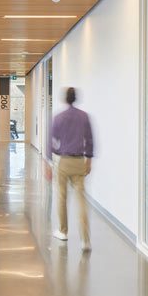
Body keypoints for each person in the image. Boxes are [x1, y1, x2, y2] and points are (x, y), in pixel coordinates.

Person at [51, 87, 94, 252]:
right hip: (79, 162)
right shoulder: (84, 117)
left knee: (62, 198)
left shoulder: (59, 118)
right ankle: (85, 240)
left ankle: (63, 231)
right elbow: (89, 140)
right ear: (76, 98)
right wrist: (88, 160)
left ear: (65, 99)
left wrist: (52, 157)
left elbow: (53, 141)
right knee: (81, 201)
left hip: (64, 161)